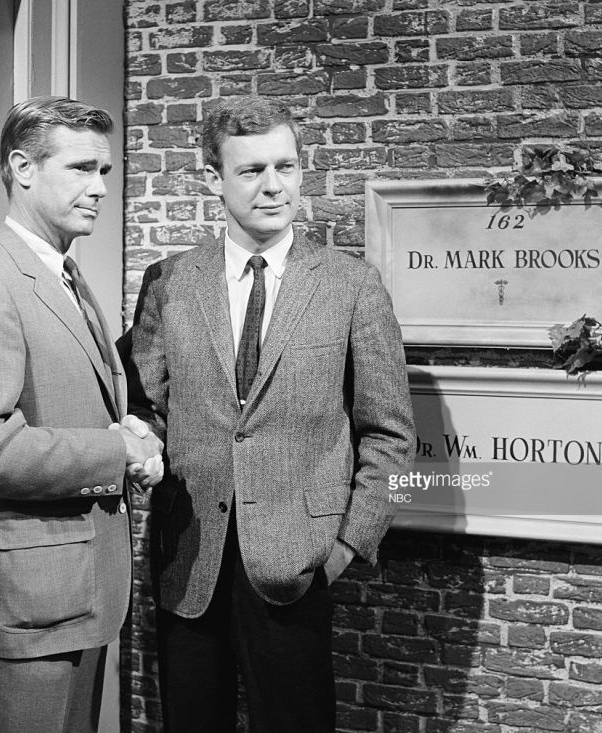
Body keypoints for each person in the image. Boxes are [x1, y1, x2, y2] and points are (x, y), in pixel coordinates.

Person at [124, 95, 416, 733]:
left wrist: (345, 548)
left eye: (285, 166)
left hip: (297, 564)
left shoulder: (350, 285)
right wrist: (141, 442)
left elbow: (390, 436)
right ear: (214, 179)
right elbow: (148, 405)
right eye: (252, 170)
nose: (273, 185)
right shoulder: (169, 282)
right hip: (188, 558)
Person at [0, 96, 163, 733]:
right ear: (23, 168)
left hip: (67, 599)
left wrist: (130, 438)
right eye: (81, 168)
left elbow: (73, 407)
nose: (100, 188)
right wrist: (115, 451)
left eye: (104, 171)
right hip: (23, 611)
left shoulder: (64, 276)